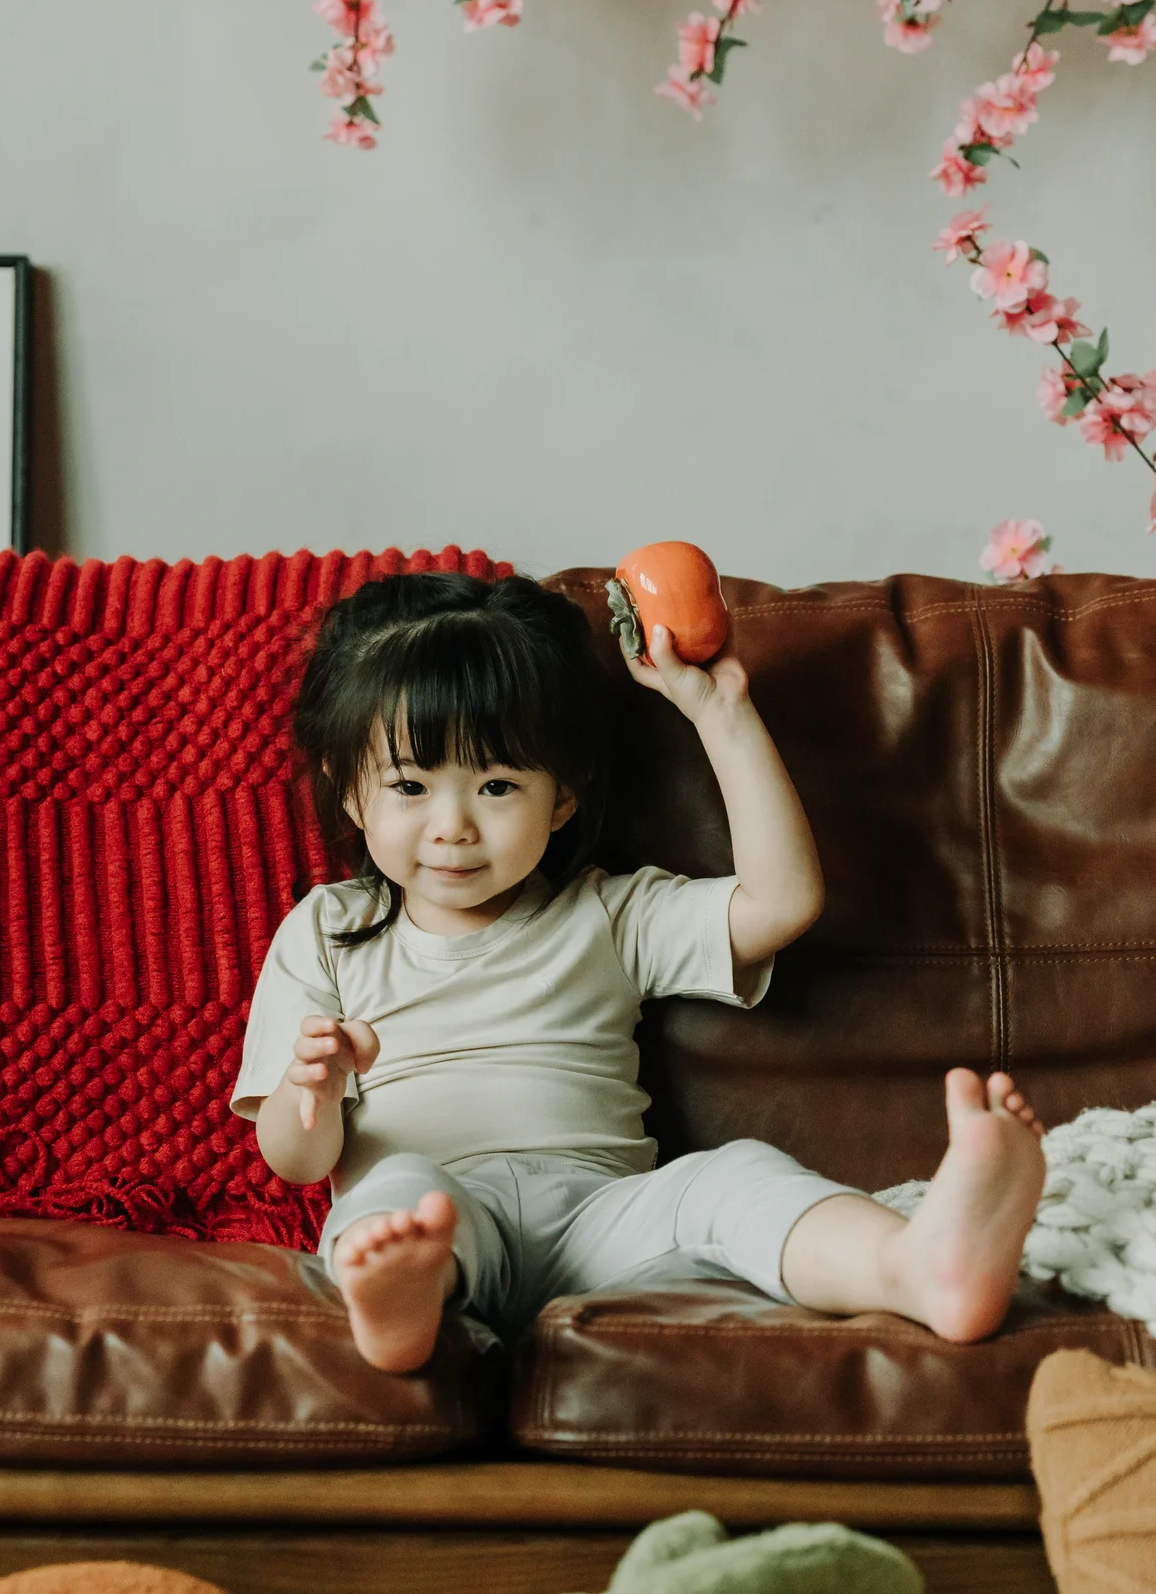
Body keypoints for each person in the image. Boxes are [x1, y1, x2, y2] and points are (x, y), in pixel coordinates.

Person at [230, 572, 1045, 1373]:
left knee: (737, 1177)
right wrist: (320, 1091)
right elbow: (297, 1161)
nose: (453, 828)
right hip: (441, 1215)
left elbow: (781, 900)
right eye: (410, 785)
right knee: (395, 1193)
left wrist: (720, 714)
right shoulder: (330, 930)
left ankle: (914, 1265)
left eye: (497, 784)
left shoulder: (608, 913)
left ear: (561, 800)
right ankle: (406, 1306)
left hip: (602, 1217)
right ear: (349, 795)